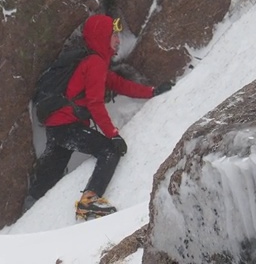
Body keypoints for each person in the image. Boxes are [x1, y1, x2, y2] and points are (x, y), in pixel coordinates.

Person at [26, 14, 173, 220]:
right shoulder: (93, 62)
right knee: (109, 150)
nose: (118, 40)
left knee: (49, 174)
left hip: (57, 125)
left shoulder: (93, 62)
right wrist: (112, 135)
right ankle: (89, 201)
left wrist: (152, 91)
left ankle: (28, 217)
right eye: (114, 35)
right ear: (102, 36)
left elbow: (118, 84)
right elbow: (95, 103)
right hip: (67, 126)